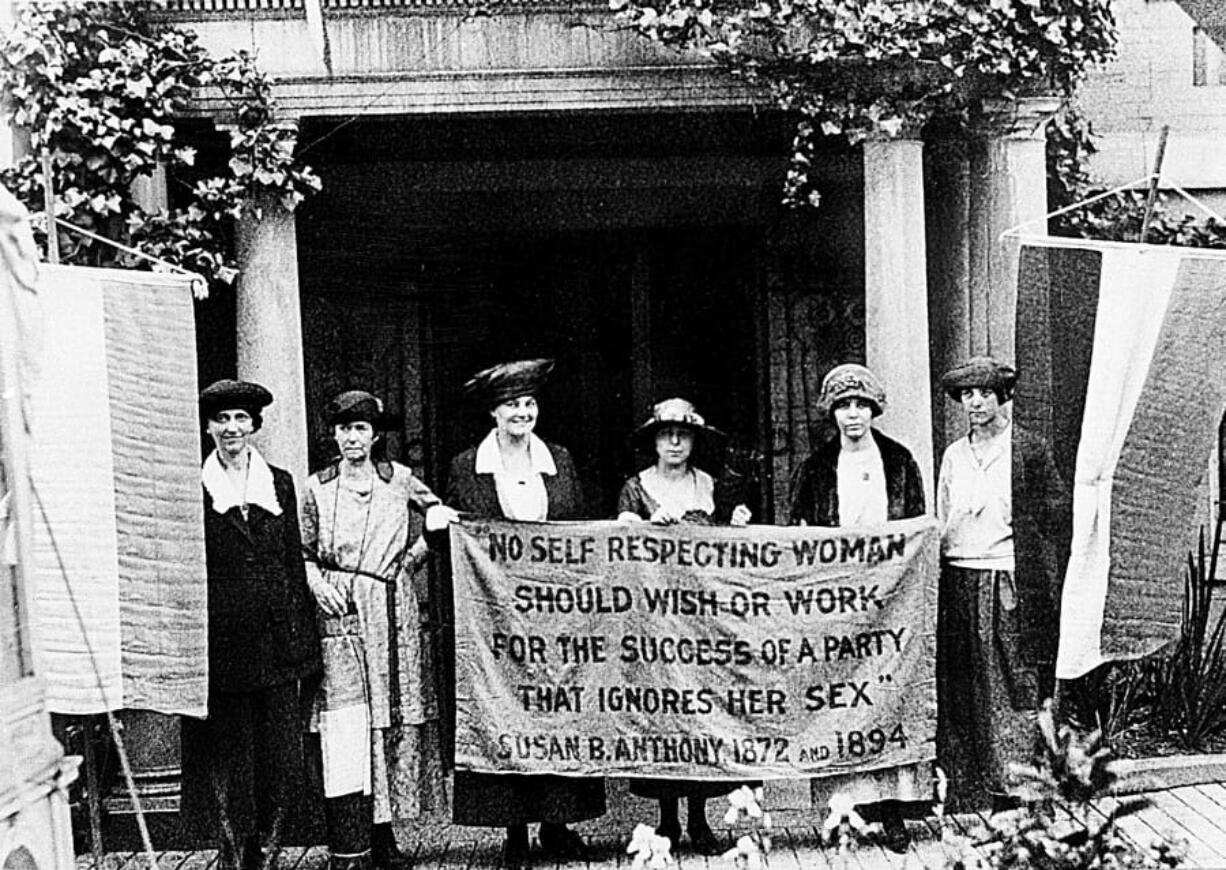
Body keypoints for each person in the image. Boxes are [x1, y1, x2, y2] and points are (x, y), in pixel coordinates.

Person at [444, 358, 606, 868]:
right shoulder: (466, 466)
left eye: (530, 403)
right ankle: (514, 830)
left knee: (555, 709)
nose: (522, 412)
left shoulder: (559, 458)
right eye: (512, 403)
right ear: (494, 412)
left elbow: (577, 529)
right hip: (496, 621)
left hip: (555, 618)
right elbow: (460, 537)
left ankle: (556, 825)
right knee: (503, 709)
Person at [300, 390, 460, 870]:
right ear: (333, 434)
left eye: (361, 429)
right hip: (340, 609)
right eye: (344, 428)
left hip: (392, 608)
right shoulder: (317, 487)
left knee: (390, 716)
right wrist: (316, 585)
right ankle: (355, 835)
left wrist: (407, 565)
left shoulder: (399, 481)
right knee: (350, 721)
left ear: (375, 435)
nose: (352, 438)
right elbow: (302, 549)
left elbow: (441, 522)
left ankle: (386, 832)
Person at [181, 379, 322, 870]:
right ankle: (236, 849)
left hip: (278, 640)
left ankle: (270, 842)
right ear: (208, 427)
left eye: (241, 419)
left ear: (255, 426)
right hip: (224, 643)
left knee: (279, 756)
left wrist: (303, 639)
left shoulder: (278, 483)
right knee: (232, 755)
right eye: (222, 420)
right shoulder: (193, 486)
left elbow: (291, 561)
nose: (232, 429)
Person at [786, 363, 927, 853]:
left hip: (889, 603)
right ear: (832, 412)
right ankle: (845, 813)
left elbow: (914, 531)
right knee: (840, 699)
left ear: (873, 410)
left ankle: (893, 813)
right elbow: (799, 532)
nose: (852, 415)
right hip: (835, 603)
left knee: (885, 693)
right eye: (843, 406)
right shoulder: (817, 467)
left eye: (861, 405)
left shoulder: (900, 461)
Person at [615, 397, 751, 855]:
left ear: (694, 441)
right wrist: (646, 526)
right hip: (655, 625)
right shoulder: (635, 488)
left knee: (701, 714)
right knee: (663, 716)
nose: (674, 442)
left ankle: (700, 819)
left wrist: (734, 525)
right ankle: (667, 820)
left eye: (683, 434)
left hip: (702, 624)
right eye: (666, 433)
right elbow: (619, 544)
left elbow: (725, 556)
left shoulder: (711, 485)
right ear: (653, 440)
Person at [935, 356, 1068, 811]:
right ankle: (971, 789)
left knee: (1014, 681)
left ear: (1002, 397)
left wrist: (1025, 526)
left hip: (1009, 576)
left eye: (985, 394)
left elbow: (1056, 513)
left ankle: (1019, 785)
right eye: (968, 395)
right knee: (967, 682)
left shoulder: (1028, 449)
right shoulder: (954, 454)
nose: (976, 403)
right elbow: (944, 516)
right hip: (960, 576)